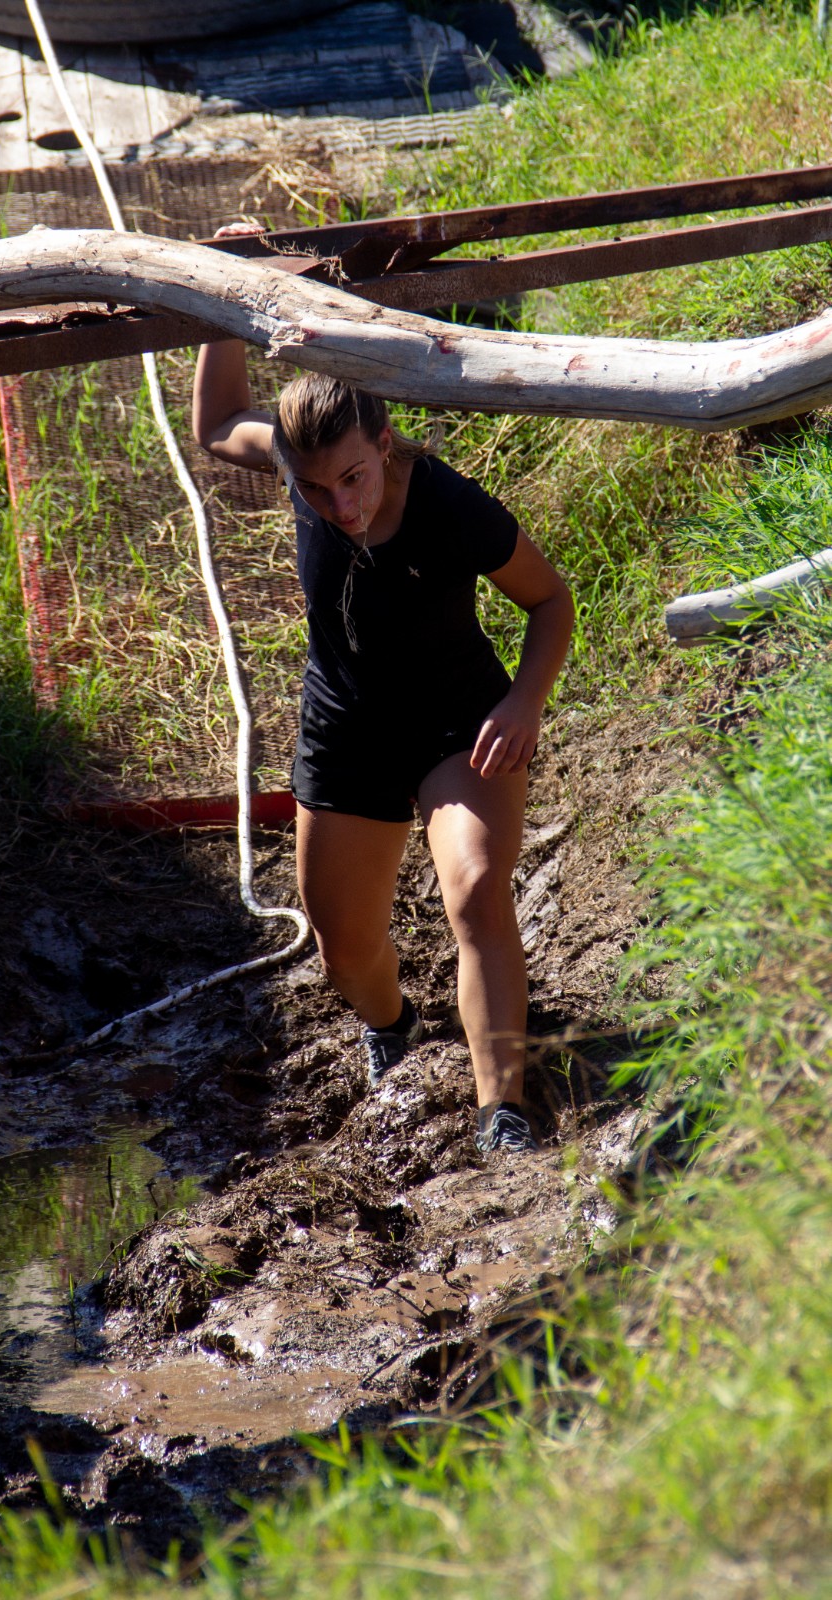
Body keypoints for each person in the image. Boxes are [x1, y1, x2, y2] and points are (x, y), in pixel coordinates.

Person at [192, 266, 574, 1155]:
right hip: (346, 732)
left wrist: (524, 702)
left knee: (476, 887)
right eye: (319, 490)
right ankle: (391, 1025)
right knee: (344, 952)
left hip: (459, 727)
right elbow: (215, 424)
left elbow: (550, 603)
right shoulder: (302, 472)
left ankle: (502, 1113)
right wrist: (219, 290)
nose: (342, 505)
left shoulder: (446, 503)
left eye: (354, 479)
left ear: (384, 438)